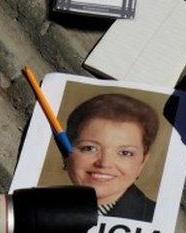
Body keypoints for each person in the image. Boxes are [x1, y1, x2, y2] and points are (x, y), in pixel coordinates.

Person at [63, 93, 159, 222]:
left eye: (125, 153)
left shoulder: (158, 218)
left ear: (142, 162)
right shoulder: (40, 207)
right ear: (66, 153)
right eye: (90, 148)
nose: (104, 163)